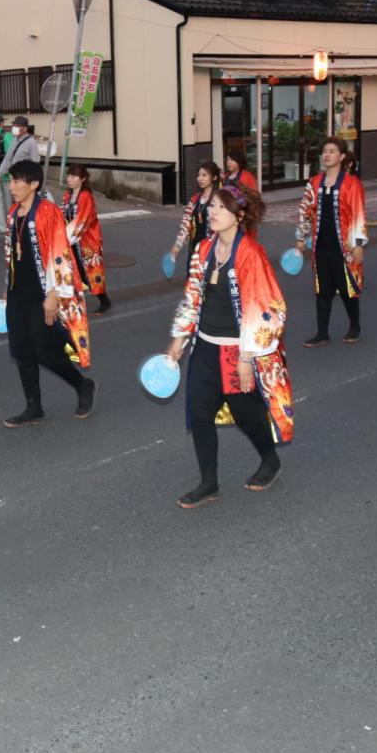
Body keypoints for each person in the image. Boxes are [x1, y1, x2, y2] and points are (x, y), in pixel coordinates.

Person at [165, 184, 292, 509]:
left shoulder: (250, 253)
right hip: (205, 347)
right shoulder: (203, 250)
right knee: (199, 413)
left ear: (239, 214)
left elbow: (267, 308)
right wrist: (178, 341)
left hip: (238, 351)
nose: (212, 213)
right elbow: (193, 297)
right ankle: (209, 482)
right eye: (210, 208)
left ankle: (270, 459)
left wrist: (247, 358)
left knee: (246, 414)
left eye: (220, 208)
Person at [0, 160, 96, 428]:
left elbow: (59, 252)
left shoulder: (48, 212)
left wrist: (53, 294)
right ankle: (34, 407)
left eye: (18, 181)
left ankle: (82, 384)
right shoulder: (12, 214)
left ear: (34, 184)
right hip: (18, 292)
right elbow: (11, 255)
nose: (12, 186)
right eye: (11, 181)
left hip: (43, 292)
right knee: (20, 349)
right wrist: (6, 289)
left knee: (43, 349)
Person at [296, 137, 367, 347]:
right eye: (324, 151)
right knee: (322, 290)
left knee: (348, 289)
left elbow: (358, 214)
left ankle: (355, 326)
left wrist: (357, 244)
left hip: (344, 247)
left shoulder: (352, 184)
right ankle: (322, 333)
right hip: (320, 246)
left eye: (332, 151)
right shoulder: (314, 182)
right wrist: (301, 236)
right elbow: (306, 210)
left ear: (342, 156)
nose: (326, 155)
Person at [61, 164, 112, 316]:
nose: (70, 179)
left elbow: (82, 221)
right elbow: (63, 215)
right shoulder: (67, 195)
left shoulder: (86, 197)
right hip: (72, 240)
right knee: (75, 272)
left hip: (87, 240)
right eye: (69, 176)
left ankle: (104, 301)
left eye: (73, 176)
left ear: (82, 179)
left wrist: (65, 237)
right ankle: (74, 304)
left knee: (91, 273)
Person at [171, 161, 221, 272]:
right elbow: (186, 225)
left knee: (209, 286)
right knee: (193, 284)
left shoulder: (220, 199)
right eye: (198, 175)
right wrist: (177, 246)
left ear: (214, 177)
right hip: (195, 250)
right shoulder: (194, 199)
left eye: (204, 175)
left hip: (213, 251)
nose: (200, 178)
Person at [0, 116, 40, 191]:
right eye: (14, 125)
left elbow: (35, 163)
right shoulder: (14, 140)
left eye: (17, 126)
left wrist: (33, 182)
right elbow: (7, 159)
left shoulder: (31, 142)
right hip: (13, 178)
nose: (14, 128)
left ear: (25, 129)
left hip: (25, 180)